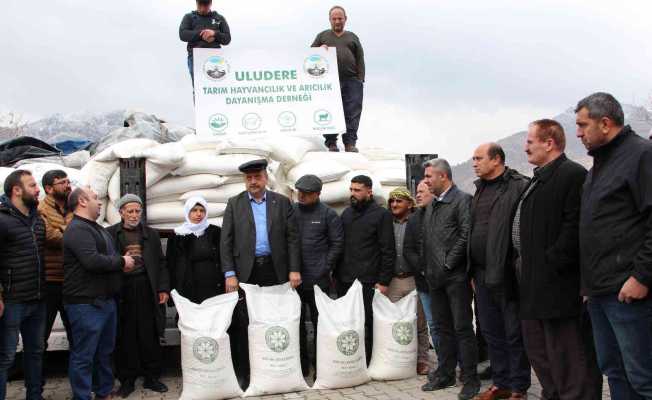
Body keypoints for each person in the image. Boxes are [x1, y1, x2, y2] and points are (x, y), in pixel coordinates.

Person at [515, 119, 602, 400]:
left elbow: (573, 230)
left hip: (559, 291)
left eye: (530, 141)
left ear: (549, 143)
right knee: (542, 357)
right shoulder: (539, 179)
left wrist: (549, 263)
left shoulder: (571, 175)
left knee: (570, 362)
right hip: (533, 290)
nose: (525, 147)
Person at [576, 92, 652, 399]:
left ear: (605, 123)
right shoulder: (598, 168)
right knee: (615, 371)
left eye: (583, 125)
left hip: (629, 292)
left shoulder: (641, 155)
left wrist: (642, 277)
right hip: (600, 292)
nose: (578, 133)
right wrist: (587, 285)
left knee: (643, 377)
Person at [220, 159, 301, 389]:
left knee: (275, 318)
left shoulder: (282, 202)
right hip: (246, 273)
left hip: (275, 270)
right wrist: (229, 273)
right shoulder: (234, 204)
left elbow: (292, 239)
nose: (253, 181)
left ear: (266, 178)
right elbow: (226, 241)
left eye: (257, 177)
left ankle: (276, 370)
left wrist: (294, 269)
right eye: (249, 178)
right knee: (244, 322)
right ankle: (246, 374)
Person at [469, 143, 531, 400]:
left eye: (479, 158)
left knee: (513, 333)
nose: (474, 163)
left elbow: (523, 231)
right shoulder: (479, 189)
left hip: (507, 273)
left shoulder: (518, 186)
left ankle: (518, 387)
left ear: (497, 160)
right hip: (481, 274)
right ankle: (501, 383)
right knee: (492, 332)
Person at [63, 187, 135, 400]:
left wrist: (120, 261)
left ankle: (103, 392)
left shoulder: (97, 228)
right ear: (82, 202)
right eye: (95, 198)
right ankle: (82, 396)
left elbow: (106, 257)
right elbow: (92, 261)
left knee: (104, 352)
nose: (100, 202)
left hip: (104, 301)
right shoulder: (77, 229)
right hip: (86, 304)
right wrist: (122, 261)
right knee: (84, 355)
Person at [419, 159, 480, 400]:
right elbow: (427, 239)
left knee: (462, 328)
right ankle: (446, 373)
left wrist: (447, 264)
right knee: (442, 329)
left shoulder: (462, 200)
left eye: (429, 176)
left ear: (443, 176)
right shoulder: (432, 205)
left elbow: (466, 235)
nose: (425, 180)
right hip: (434, 279)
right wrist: (428, 267)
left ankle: (470, 378)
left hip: (455, 278)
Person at [107, 194, 170, 398]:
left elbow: (161, 263)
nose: (134, 215)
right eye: (130, 211)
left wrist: (162, 288)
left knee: (148, 333)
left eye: (137, 211)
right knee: (126, 335)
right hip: (123, 289)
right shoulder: (110, 234)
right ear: (121, 212)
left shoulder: (151, 234)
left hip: (146, 287)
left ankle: (152, 377)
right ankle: (127, 380)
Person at [335, 175, 394, 365]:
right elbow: (341, 246)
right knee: (349, 322)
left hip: (369, 280)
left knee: (369, 322)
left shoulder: (381, 215)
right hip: (346, 280)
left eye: (357, 190)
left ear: (369, 191)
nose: (353, 194)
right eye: (351, 190)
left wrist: (384, 281)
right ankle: (352, 361)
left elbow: (388, 249)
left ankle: (370, 362)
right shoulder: (346, 214)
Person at [0, 170, 46, 400]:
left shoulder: (37, 219)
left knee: (35, 352)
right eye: (32, 185)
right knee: (6, 356)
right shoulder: (2, 220)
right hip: (11, 301)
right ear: (16, 190)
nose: (38, 189)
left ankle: (34, 397)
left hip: (37, 299)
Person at [292, 174, 343, 376]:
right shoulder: (292, 211)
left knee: (319, 323)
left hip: (318, 282)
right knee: (297, 325)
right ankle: (302, 366)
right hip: (295, 280)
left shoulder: (328, 214)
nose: (301, 196)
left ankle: (322, 366)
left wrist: (325, 266)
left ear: (318, 194)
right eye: (299, 192)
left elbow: (337, 244)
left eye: (306, 193)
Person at [386, 187, 431, 376]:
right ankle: (398, 358)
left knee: (419, 322)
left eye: (399, 201)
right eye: (392, 201)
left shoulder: (417, 222)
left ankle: (422, 360)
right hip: (393, 281)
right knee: (394, 323)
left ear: (409, 204)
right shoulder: (386, 223)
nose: (395, 204)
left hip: (413, 279)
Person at [311, 5, 365, 152]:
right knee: (330, 110)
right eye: (334, 19)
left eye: (340, 18)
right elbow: (310, 57)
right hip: (329, 81)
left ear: (345, 19)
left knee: (352, 111)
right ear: (330, 20)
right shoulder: (322, 36)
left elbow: (360, 58)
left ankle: (350, 143)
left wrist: (360, 79)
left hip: (352, 80)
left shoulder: (352, 37)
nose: (337, 21)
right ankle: (331, 142)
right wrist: (319, 49)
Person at [38, 170, 73, 355]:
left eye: (68, 181)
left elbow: (80, 234)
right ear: (49, 188)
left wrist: (62, 229)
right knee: (40, 334)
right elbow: (50, 237)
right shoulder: (40, 209)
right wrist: (70, 231)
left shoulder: (73, 206)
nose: (68, 185)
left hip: (71, 281)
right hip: (50, 281)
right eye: (63, 182)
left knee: (76, 334)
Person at [168, 196, 223, 304]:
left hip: (213, 285)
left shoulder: (216, 232)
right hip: (188, 286)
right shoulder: (177, 235)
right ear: (187, 212)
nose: (199, 214)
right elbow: (171, 265)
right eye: (194, 210)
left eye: (202, 211)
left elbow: (223, 258)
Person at [179, 0, 231, 85]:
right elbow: (182, 34)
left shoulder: (219, 18)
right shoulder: (189, 17)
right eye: (200, 4)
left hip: (216, 58)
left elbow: (227, 38)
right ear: (196, 2)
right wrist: (202, 34)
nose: (203, 7)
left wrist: (214, 34)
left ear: (210, 3)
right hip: (196, 58)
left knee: (217, 86)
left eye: (206, 4)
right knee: (198, 88)